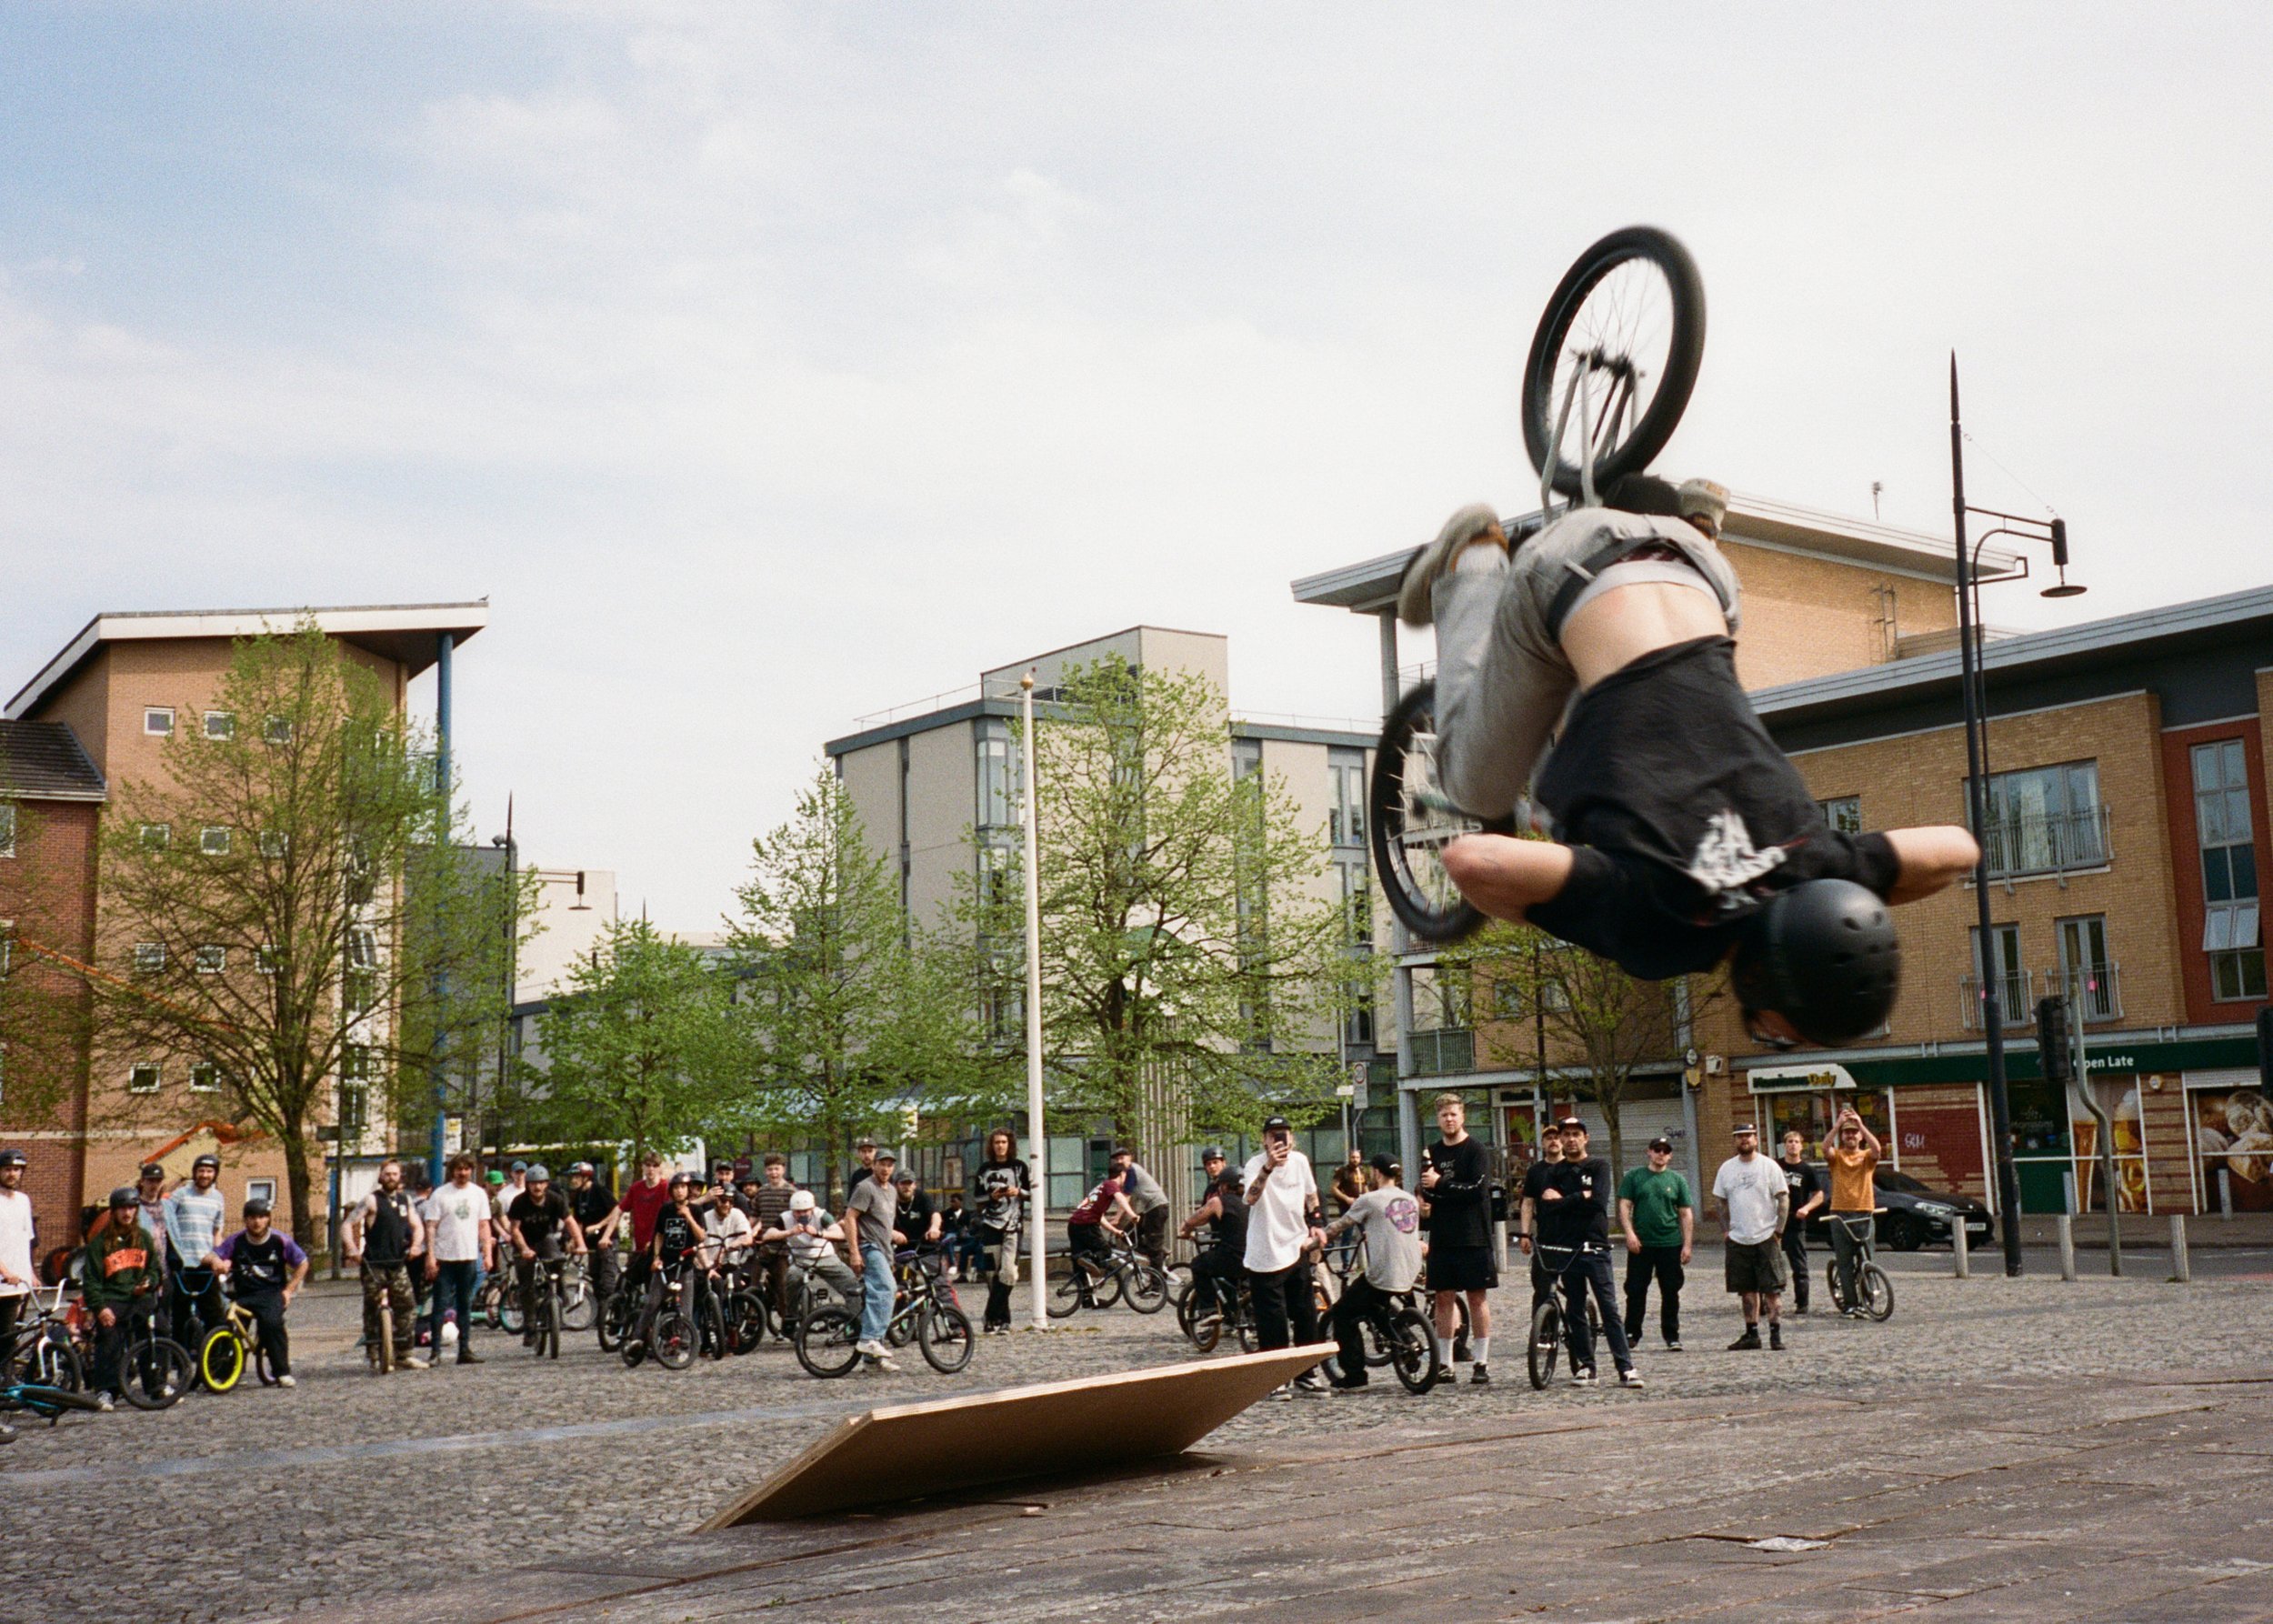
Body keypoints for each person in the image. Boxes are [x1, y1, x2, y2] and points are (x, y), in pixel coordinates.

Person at [1397, 480, 1980, 1049]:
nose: (1773, 1037)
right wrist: (1571, 913)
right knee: (1473, 787)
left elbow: (1958, 849)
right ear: (1764, 979)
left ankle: (1700, 523)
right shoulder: (1664, 926)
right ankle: (1474, 556)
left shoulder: (1823, 866)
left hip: (1702, 571)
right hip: (1563, 571)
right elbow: (1472, 860)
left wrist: (1854, 898)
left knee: (1665, 680)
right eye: (1783, 1031)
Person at [1536, 1118, 1641, 1388]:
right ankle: (1586, 1365)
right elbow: (1545, 1208)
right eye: (1566, 1135)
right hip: (1567, 1247)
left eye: (1576, 1135)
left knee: (1609, 1307)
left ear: (1586, 1138)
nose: (1571, 1139)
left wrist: (1562, 1200)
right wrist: (1577, 1198)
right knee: (1575, 1307)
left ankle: (1625, 1367)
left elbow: (1598, 1201)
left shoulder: (1598, 1166)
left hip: (1594, 1247)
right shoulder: (1554, 1171)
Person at [1321, 1155, 1421, 1392]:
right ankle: (1407, 1340)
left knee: (1343, 1313)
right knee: (1375, 1305)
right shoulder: (1410, 1199)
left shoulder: (1369, 1199)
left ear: (1376, 1173)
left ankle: (1355, 1375)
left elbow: (1339, 1226)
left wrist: (1314, 1242)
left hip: (1383, 1273)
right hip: (1410, 1269)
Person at [1242, 1115, 1327, 1395]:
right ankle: (1276, 1377)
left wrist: (1316, 1223)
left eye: (1285, 1135)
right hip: (1265, 1252)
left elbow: (1312, 1195)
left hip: (1295, 1245)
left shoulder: (1300, 1162)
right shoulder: (1254, 1165)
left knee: (1305, 1312)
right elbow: (1250, 1198)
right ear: (1264, 1140)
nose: (1281, 1141)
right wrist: (1268, 1168)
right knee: (1272, 1319)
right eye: (1274, 1135)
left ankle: (1306, 1372)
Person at [1419, 1093, 1497, 1385]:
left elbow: (1477, 1190)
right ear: (1437, 1120)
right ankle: (1445, 1363)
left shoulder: (1476, 1150)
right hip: (1443, 1235)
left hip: (1473, 1235)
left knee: (1477, 1298)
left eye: (1453, 1114)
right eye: (1443, 1115)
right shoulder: (1432, 1152)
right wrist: (1445, 1189)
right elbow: (1427, 1191)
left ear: (1462, 1116)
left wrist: (1443, 1185)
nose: (1449, 1119)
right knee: (1443, 1298)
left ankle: (1481, 1361)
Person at [211, 1198, 308, 1387]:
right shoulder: (236, 1241)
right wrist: (218, 1262)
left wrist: (289, 1290)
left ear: (269, 1219)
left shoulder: (280, 1240)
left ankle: (282, 1372)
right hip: (243, 1294)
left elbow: (303, 1263)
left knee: (272, 1324)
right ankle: (225, 1372)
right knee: (228, 1325)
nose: (257, 1222)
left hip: (271, 1293)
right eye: (252, 1217)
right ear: (245, 1220)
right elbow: (216, 1254)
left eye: (262, 1217)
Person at [345, 1158, 430, 1371]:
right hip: (373, 1264)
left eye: (395, 1174)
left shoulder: (405, 1201)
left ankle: (404, 1353)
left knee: (407, 1306)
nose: (391, 1178)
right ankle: (373, 1353)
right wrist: (351, 1248)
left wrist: (417, 1245)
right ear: (381, 1177)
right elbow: (348, 1224)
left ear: (400, 1177)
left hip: (397, 1262)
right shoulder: (372, 1200)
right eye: (387, 1174)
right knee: (372, 1307)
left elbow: (417, 1226)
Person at [1712, 1124, 1790, 1350]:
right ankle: (1751, 1334)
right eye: (1739, 1137)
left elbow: (1783, 1199)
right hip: (1738, 1239)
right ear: (1735, 1141)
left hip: (1766, 1236)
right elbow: (1719, 1202)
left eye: (1748, 1136)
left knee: (1772, 1290)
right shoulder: (1726, 1168)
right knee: (1746, 1290)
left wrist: (1779, 1230)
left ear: (1756, 1139)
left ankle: (1776, 1335)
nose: (1744, 1140)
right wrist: (1725, 1230)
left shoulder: (1769, 1166)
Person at [1617, 1136, 1695, 1353]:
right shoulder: (1635, 1177)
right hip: (1641, 1244)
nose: (1661, 1154)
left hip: (1670, 1243)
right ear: (1649, 1152)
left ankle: (1672, 1335)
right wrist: (1630, 1234)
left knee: (1671, 1291)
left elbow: (1685, 1213)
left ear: (1670, 1155)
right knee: (1635, 1290)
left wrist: (1687, 1245)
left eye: (1665, 1151)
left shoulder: (1677, 1180)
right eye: (1657, 1150)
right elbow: (1624, 1206)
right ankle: (1631, 1333)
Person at [85, 1188, 160, 1408]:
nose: (127, 1213)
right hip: (112, 1298)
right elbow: (91, 1281)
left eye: (131, 1208)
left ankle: (155, 1385)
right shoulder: (99, 1243)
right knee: (108, 1339)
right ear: (114, 1212)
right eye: (122, 1209)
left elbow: (154, 1270)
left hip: (139, 1297)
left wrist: (149, 1282)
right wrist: (100, 1308)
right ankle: (106, 1390)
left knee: (156, 1332)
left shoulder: (144, 1238)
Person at [424, 1154, 494, 1365]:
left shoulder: (478, 1194)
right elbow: (431, 1226)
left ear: (471, 1170)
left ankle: (465, 1349)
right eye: (458, 1169)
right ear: (452, 1171)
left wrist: (487, 1253)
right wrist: (430, 1256)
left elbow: (484, 1225)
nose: (462, 1173)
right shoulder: (440, 1194)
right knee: (440, 1305)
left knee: (465, 1304)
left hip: (468, 1257)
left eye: (466, 1169)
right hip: (445, 1258)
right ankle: (435, 1351)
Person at [507, 1165, 586, 1338]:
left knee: (558, 1261)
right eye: (534, 1183)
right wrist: (524, 1249)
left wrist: (580, 1244)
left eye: (541, 1183)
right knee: (526, 1284)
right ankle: (529, 1326)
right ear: (528, 1185)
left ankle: (559, 1293)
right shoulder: (519, 1202)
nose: (537, 1187)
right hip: (524, 1242)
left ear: (547, 1184)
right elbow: (515, 1230)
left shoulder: (555, 1199)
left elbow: (570, 1222)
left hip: (544, 1238)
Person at [1823, 1106, 1885, 1317]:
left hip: (1864, 1212)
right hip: (1839, 1213)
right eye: (1846, 1132)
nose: (1850, 1135)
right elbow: (1825, 1148)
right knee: (1845, 1261)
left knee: (1868, 1257)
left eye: (1853, 1132)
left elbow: (1877, 1150)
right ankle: (1850, 1303)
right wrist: (1837, 1125)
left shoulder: (1867, 1157)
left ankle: (1869, 1299)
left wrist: (1860, 1124)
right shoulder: (1837, 1157)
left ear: (1860, 1136)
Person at [969, 1129, 1031, 1334]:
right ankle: (1003, 1320)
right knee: (992, 1275)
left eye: (1004, 1142)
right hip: (990, 1226)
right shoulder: (984, 1169)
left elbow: (1032, 1194)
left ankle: (990, 1314)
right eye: (997, 1142)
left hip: (1013, 1226)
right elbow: (977, 1199)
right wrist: (992, 1196)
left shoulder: (1019, 1167)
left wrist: (1018, 1192)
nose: (1000, 1146)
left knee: (1009, 1273)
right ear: (992, 1145)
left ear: (1009, 1144)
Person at [763, 1188, 863, 1316]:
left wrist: (818, 1233)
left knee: (850, 1283)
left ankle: (854, 1320)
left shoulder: (821, 1215)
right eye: (797, 1212)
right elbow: (768, 1235)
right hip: (800, 1259)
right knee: (791, 1280)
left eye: (805, 1211)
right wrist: (790, 1232)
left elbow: (839, 1234)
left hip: (824, 1256)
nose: (801, 1215)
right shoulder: (785, 1218)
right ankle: (791, 1318)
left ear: (812, 1208)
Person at [844, 1149, 901, 1370]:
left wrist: (891, 1253)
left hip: (884, 1250)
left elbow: (884, 1225)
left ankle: (872, 1359)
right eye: (882, 1164)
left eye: (890, 1165)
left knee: (880, 1296)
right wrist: (854, 1252)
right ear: (874, 1165)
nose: (886, 1169)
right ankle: (868, 1339)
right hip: (869, 1247)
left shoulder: (892, 1191)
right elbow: (850, 1218)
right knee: (886, 1289)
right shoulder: (865, 1187)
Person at [162, 1151, 228, 1338]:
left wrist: (218, 1257)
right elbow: (166, 1223)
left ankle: (216, 1358)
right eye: (201, 1170)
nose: (205, 1175)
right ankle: (180, 1358)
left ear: (215, 1174)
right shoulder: (180, 1195)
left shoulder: (218, 1198)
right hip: (183, 1264)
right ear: (194, 1172)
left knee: (214, 1313)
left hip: (206, 1264)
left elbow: (217, 1232)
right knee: (180, 1314)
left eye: (209, 1171)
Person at [1178, 1148, 1246, 1319]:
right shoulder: (1210, 1190)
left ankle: (1210, 1311)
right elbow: (1204, 1213)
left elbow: (1200, 1215)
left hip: (1231, 1241)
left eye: (1215, 1162)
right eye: (1208, 1164)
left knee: (1205, 1267)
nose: (1212, 1167)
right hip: (1221, 1236)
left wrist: (1187, 1227)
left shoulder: (1228, 1194)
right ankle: (1233, 1319)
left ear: (1224, 1162)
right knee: (1227, 1281)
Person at [604, 1150, 674, 1306]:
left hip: (657, 1250)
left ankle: (652, 1326)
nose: (651, 1169)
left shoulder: (665, 1188)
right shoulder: (636, 1188)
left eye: (654, 1166)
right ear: (642, 1167)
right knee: (623, 1283)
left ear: (660, 1168)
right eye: (647, 1165)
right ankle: (619, 1325)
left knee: (653, 1291)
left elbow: (673, 1214)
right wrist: (606, 1236)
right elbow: (619, 1210)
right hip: (640, 1249)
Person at [1516, 1118, 1567, 1317]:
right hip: (1545, 1237)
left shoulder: (1573, 1167)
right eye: (1548, 1138)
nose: (1553, 1141)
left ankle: (1578, 1329)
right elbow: (1528, 1204)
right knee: (1542, 1288)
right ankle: (1543, 1331)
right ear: (1543, 1143)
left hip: (1572, 1236)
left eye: (1556, 1137)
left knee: (1575, 1288)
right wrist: (1525, 1234)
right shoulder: (1535, 1171)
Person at [1777, 1128, 1827, 1316]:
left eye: (1796, 1142)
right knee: (1770, 1263)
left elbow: (1819, 1195)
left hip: (1794, 1224)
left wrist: (1806, 1208)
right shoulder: (1775, 1166)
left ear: (1801, 1145)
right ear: (1784, 1145)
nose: (1792, 1145)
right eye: (1789, 1141)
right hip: (1773, 1222)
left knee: (1799, 1266)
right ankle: (1770, 1301)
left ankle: (1802, 1303)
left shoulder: (1807, 1170)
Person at [1064, 1164, 1132, 1293]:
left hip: (1074, 1224)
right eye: (1125, 1176)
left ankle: (1086, 1297)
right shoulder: (1111, 1185)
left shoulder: (1099, 1187)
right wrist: (1132, 1214)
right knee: (1105, 1250)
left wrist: (1115, 1231)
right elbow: (1121, 1199)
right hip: (1087, 1225)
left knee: (1078, 1262)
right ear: (1122, 1174)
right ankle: (1089, 1259)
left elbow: (1099, 1217)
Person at [748, 1154, 800, 1319]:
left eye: (777, 1169)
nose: (773, 1173)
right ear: (765, 1171)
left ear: (783, 1170)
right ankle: (752, 1317)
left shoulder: (791, 1192)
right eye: (770, 1169)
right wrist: (746, 1232)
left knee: (783, 1287)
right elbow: (754, 1216)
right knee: (752, 1282)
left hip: (784, 1248)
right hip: (765, 1246)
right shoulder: (762, 1192)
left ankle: (788, 1321)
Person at [566, 1161, 620, 1308]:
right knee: (595, 1277)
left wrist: (600, 1225)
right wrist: (573, 1239)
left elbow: (616, 1210)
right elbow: (579, 1221)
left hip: (607, 1240)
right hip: (592, 1242)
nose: (573, 1180)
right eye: (572, 1177)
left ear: (586, 1178)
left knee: (607, 1279)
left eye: (576, 1177)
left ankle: (614, 1311)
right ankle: (600, 1316)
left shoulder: (599, 1190)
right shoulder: (578, 1196)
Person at [1109, 1148, 1172, 1270]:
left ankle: (1157, 1285)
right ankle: (1159, 1253)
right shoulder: (1129, 1172)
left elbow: (1126, 1197)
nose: (1119, 1162)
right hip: (1150, 1210)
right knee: (1126, 1235)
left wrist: (1117, 1218)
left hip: (1157, 1208)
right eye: (1117, 1160)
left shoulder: (1132, 1170)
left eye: (1122, 1158)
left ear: (1130, 1157)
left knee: (1153, 1245)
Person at [0, 1149, 33, 1357]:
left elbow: (26, 1238)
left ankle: (7, 1379)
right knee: (5, 1334)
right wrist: (5, 1272)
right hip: (4, 1282)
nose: (13, 1174)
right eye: (8, 1169)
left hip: (19, 1282)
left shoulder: (23, 1200)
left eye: (17, 1170)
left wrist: (32, 1273)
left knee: (14, 1334)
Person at [890, 1168, 942, 1253]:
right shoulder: (889, 1200)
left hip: (926, 1245)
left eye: (909, 1183)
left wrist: (935, 1227)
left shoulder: (921, 1196)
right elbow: (881, 1222)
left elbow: (935, 1214)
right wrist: (891, 1233)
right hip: (902, 1248)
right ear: (896, 1185)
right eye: (903, 1183)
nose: (907, 1187)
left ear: (915, 1185)